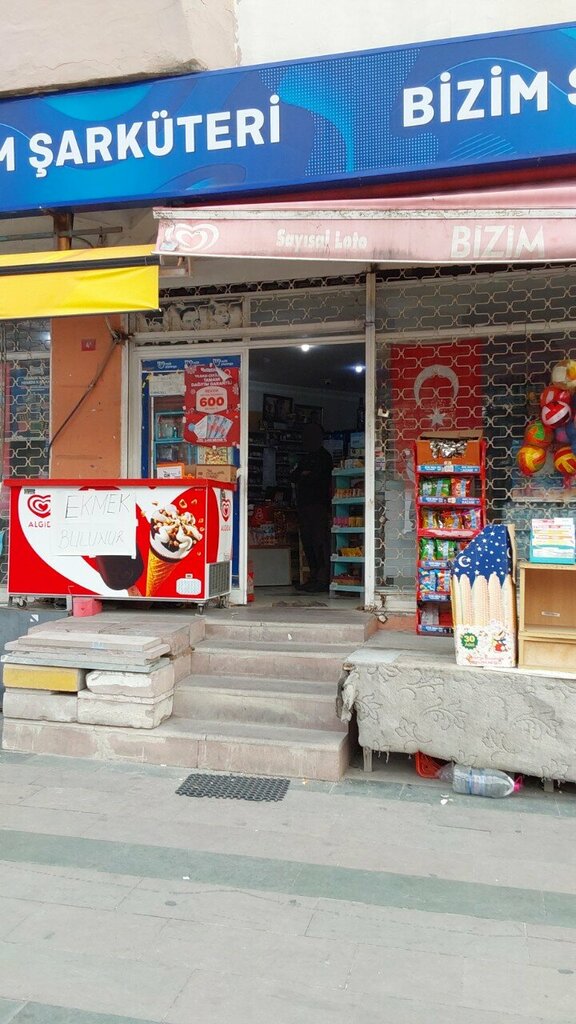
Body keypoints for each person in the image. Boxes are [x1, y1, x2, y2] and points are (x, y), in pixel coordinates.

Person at [291, 423, 333, 592]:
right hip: (304, 506)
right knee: (307, 542)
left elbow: (318, 478)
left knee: (319, 542)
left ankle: (323, 578)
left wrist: (305, 475)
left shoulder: (324, 457)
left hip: (319, 506)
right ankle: (313, 576)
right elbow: (293, 476)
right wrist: (304, 475)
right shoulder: (306, 457)